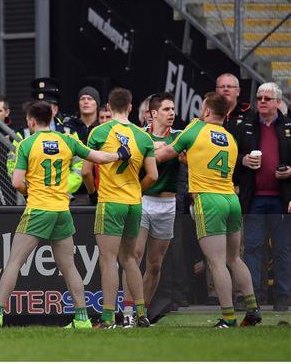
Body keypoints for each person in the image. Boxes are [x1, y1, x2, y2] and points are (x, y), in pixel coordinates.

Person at [0, 100, 131, 329]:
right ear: (51, 118)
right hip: (62, 210)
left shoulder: (26, 144)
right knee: (69, 266)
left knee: (14, 262)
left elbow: (17, 182)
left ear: (31, 121)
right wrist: (119, 154)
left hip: (38, 208)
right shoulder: (68, 140)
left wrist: (29, 192)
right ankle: (82, 318)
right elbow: (97, 157)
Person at [156, 92, 261, 328]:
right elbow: (206, 160)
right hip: (231, 199)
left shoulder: (195, 129)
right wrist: (188, 160)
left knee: (216, 262)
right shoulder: (230, 138)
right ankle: (253, 309)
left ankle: (228, 317)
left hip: (208, 200)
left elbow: (164, 155)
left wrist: (141, 151)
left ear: (206, 111)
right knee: (234, 258)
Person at [83, 87, 158, 328]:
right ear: (130, 107)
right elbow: (153, 175)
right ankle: (140, 313)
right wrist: (137, 189)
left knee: (108, 259)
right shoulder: (143, 136)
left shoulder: (99, 131)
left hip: (110, 201)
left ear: (107, 108)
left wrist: (93, 193)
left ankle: (107, 318)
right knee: (130, 260)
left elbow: (85, 171)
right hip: (134, 204)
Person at [121, 92, 182, 327]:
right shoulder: (139, 135)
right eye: (166, 109)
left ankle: (142, 314)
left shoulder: (179, 137)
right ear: (153, 113)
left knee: (155, 265)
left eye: (173, 109)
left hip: (168, 204)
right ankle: (128, 312)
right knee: (133, 257)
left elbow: (187, 158)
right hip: (143, 200)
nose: (172, 113)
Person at [235, 82, 291, 311]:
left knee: (283, 248)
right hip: (254, 197)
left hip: (281, 197)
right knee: (252, 248)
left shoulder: (289, 125)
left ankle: (283, 297)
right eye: (259, 98)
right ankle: (252, 297)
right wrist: (243, 160)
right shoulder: (245, 125)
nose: (262, 102)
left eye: (267, 98)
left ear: (278, 102)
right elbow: (230, 154)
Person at [215, 73, 250, 140]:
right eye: (222, 87)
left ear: (238, 91)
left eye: (230, 86)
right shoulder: (209, 112)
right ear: (216, 91)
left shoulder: (249, 115)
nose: (226, 89)